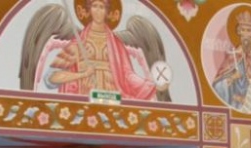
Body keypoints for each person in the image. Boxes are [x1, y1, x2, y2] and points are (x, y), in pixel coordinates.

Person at [34, 0, 164, 100]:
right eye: (94, 6)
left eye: (101, 7)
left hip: (112, 100)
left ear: (107, 12)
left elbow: (128, 75)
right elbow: (51, 78)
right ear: (89, 9)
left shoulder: (117, 45)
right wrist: (82, 74)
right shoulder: (78, 44)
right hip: (85, 101)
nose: (97, 11)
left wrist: (151, 86)